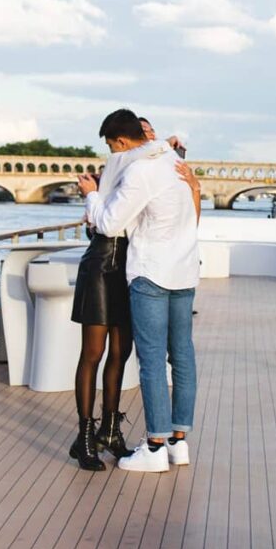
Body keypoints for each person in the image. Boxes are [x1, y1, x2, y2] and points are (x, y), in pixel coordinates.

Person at [79, 109, 200, 472]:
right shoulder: (173, 163)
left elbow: (110, 223)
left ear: (120, 142)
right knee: (182, 357)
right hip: (184, 270)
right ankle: (178, 443)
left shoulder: (140, 171)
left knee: (150, 362)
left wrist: (90, 195)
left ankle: (155, 446)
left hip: (151, 274)